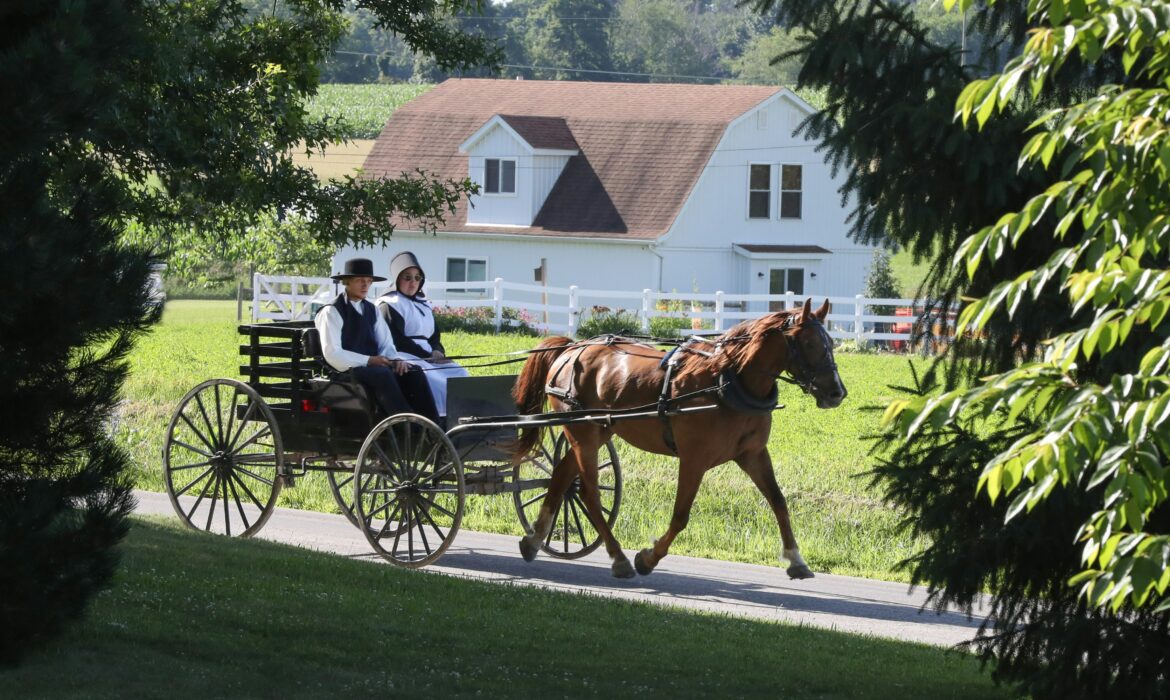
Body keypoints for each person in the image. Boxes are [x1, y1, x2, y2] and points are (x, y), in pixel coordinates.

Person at [314, 257, 440, 424]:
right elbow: (333, 354)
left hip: (372, 366)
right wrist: (370, 360)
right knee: (382, 374)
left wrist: (395, 359)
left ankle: (432, 424)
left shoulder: (371, 310)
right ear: (347, 282)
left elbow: (386, 343)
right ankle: (405, 425)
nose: (365, 285)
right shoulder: (332, 311)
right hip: (344, 371)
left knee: (412, 371)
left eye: (368, 281)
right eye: (360, 281)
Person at [377, 252, 469, 423]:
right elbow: (397, 340)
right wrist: (426, 355)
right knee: (433, 379)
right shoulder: (389, 304)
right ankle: (440, 421)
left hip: (428, 356)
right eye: (407, 277)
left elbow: (434, 335)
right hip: (404, 355)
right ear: (397, 279)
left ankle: (463, 416)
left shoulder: (423, 304)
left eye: (417, 278)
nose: (413, 282)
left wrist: (437, 351)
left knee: (460, 373)